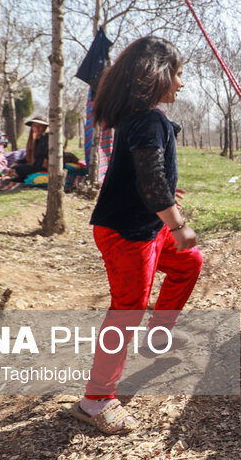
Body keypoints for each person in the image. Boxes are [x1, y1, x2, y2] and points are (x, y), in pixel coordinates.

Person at [70, 36, 202, 434]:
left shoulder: (141, 117)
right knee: (127, 309)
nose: (181, 83)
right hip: (127, 234)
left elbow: (145, 178)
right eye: (178, 74)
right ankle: (95, 400)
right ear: (159, 75)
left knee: (188, 264)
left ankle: (157, 335)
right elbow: (151, 182)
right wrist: (179, 226)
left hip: (145, 227)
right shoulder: (149, 120)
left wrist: (167, 219)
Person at [0, 115, 50, 189]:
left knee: (19, 168)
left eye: (40, 126)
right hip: (36, 165)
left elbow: (47, 156)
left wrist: (17, 166)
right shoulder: (37, 140)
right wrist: (17, 163)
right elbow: (28, 157)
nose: (37, 129)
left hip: (43, 167)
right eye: (35, 126)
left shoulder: (46, 138)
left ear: (45, 127)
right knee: (16, 167)